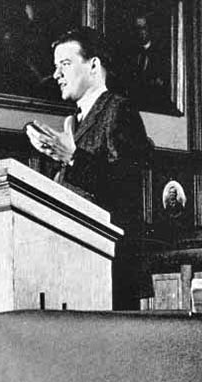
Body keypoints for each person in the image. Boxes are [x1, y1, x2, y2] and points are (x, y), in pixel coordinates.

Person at [25, 27, 154, 310]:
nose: (56, 74)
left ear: (94, 65)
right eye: (55, 67)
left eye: (65, 64)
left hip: (111, 269)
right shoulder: (76, 121)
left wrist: (72, 156)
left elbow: (125, 187)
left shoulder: (120, 110)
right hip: (78, 264)